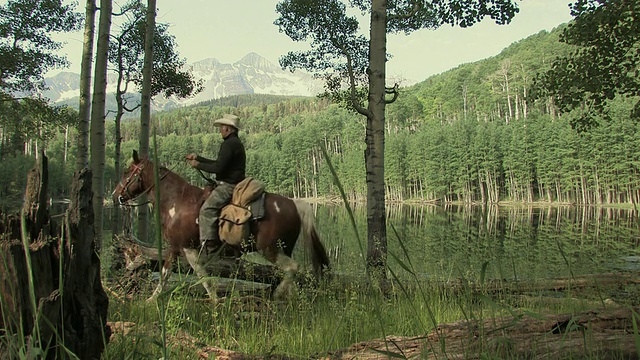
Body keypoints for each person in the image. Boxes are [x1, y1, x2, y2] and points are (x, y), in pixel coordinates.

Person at [186, 114, 246, 251]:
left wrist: (198, 165)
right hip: (234, 183)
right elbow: (219, 163)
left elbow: (218, 168)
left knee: (206, 210)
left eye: (222, 127)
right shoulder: (234, 143)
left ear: (229, 129)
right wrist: (198, 158)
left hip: (228, 186)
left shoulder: (229, 144)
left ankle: (209, 246)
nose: (220, 130)